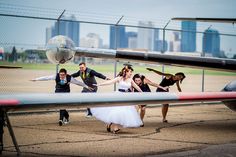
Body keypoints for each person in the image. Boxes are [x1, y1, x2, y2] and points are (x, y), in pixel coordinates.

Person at [91, 65, 143, 134]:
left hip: (125, 97)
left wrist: (143, 93)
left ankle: (110, 124)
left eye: (131, 72)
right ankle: (115, 128)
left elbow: (137, 87)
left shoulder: (131, 80)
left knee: (122, 112)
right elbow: (110, 82)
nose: (131, 73)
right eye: (130, 72)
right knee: (117, 111)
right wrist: (99, 84)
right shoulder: (119, 78)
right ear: (126, 72)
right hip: (118, 96)